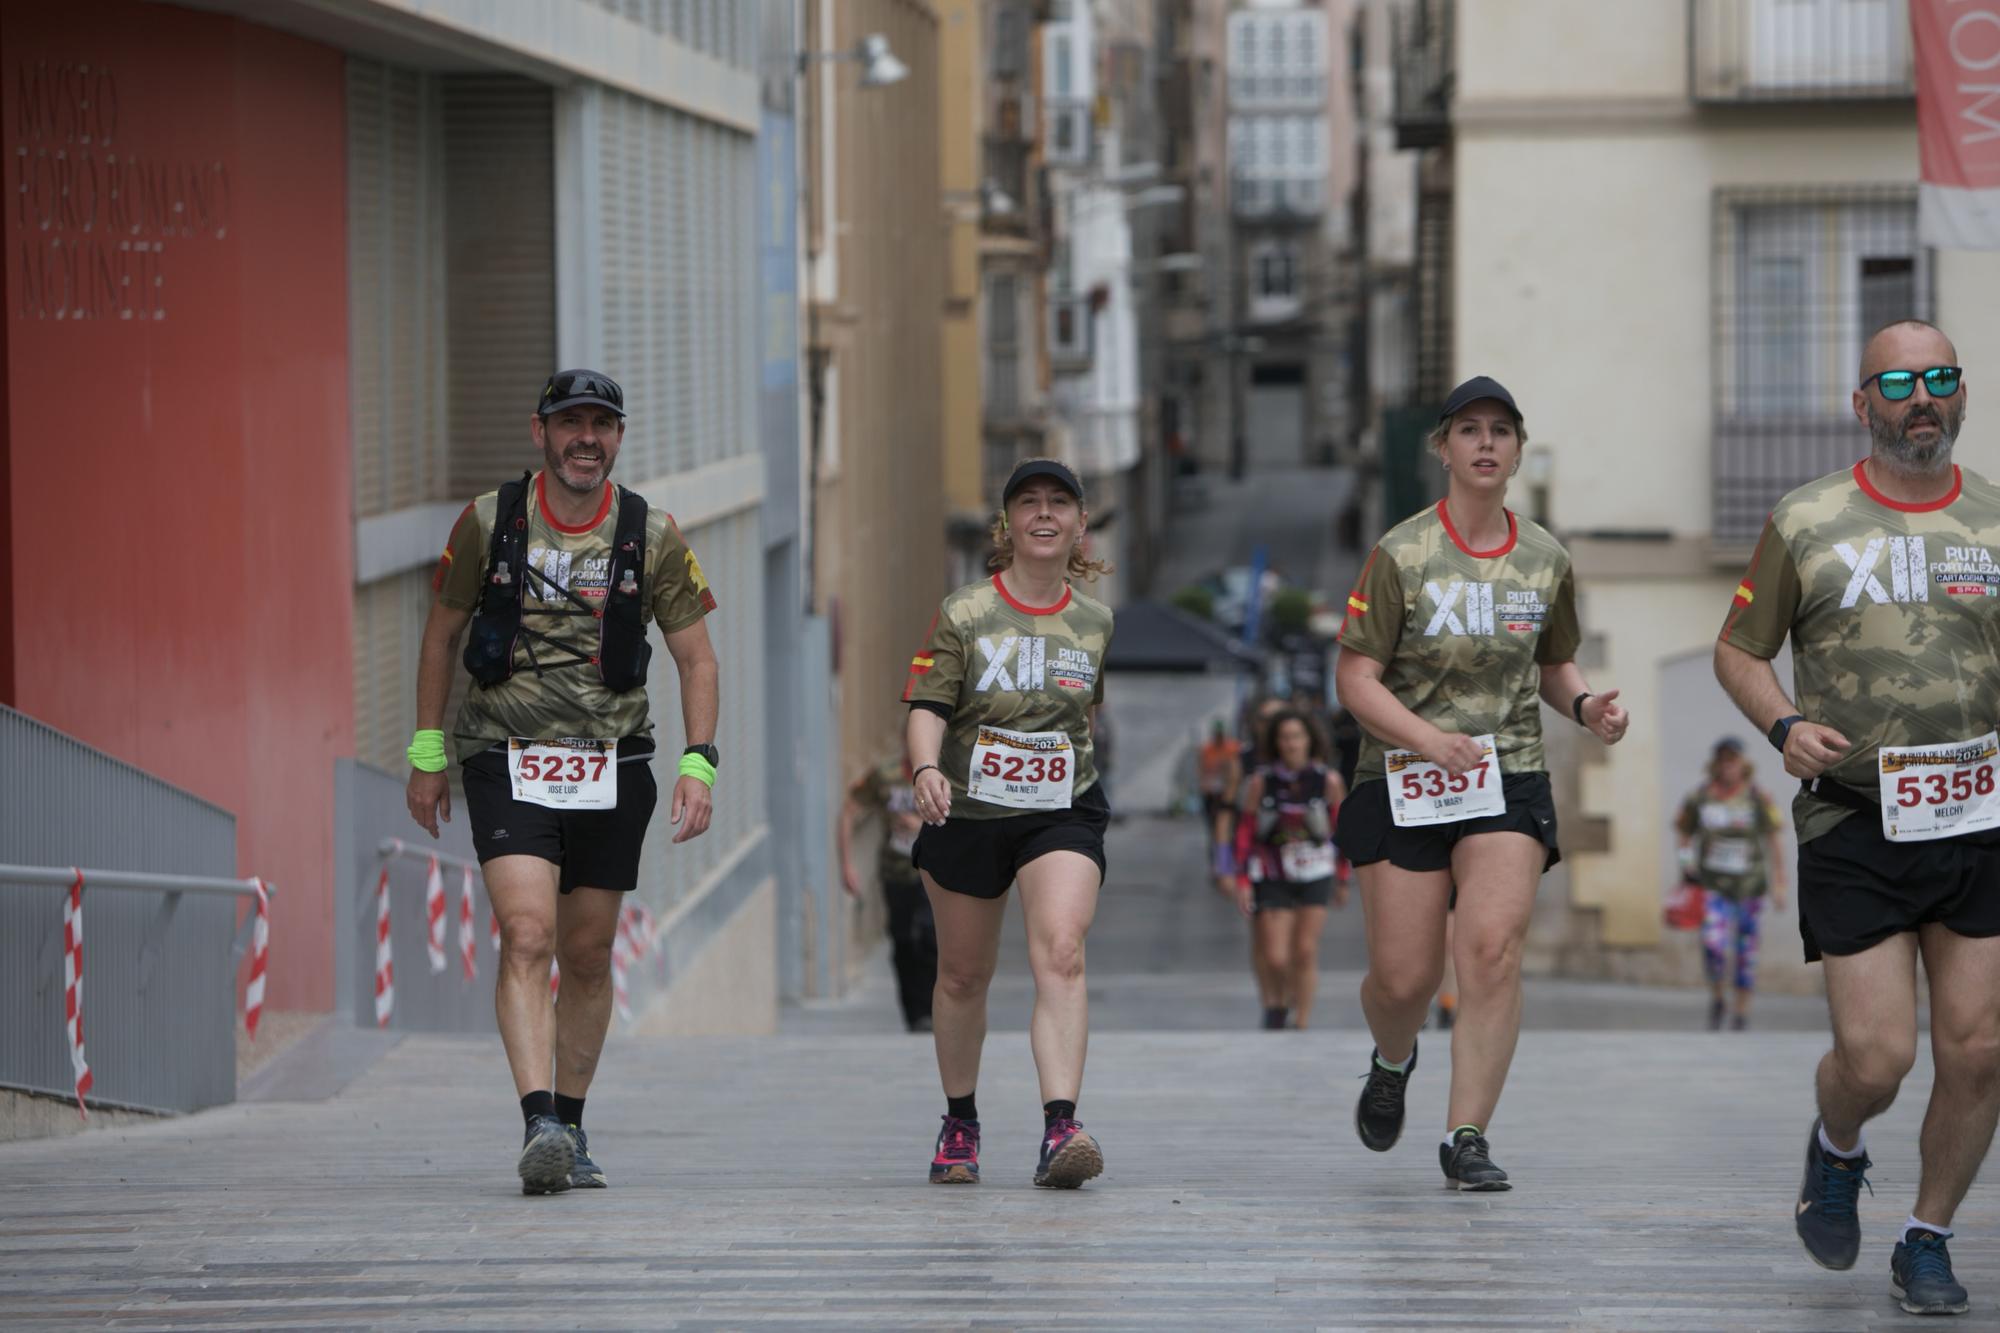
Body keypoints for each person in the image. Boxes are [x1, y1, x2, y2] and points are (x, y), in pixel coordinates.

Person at [1714, 319, 1998, 1317]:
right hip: (1855, 821)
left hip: (1975, 818)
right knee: (1877, 1057)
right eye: (1896, 380)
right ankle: (1836, 1143)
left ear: (1957, 394)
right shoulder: (1805, 519)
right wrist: (1781, 723)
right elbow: (1738, 650)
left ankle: (1925, 1237)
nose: (1918, 395)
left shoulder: (1995, 524)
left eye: (1936, 377)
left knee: (1978, 1049)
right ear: (1862, 402)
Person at [406, 369, 720, 1196]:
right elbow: (441, 636)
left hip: (612, 764)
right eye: (571, 422)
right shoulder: (488, 520)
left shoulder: (652, 533)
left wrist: (699, 761)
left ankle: (571, 1126)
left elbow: (696, 656)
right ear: (539, 431)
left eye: (603, 425)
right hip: (506, 757)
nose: (588, 437)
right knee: (529, 932)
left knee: (585, 953)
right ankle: (538, 1119)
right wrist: (428, 752)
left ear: (619, 437)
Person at [1334, 375, 1629, 1192]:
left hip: (1507, 775)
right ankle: (1393, 1058)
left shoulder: (1545, 557)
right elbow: (1355, 678)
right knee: (1404, 980)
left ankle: (1467, 1135)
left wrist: (1585, 704)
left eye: (1502, 430)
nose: (1487, 443)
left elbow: (1553, 663)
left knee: (1491, 952)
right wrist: (1430, 740)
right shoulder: (1401, 553)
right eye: (1470, 430)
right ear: (1445, 448)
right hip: (1404, 776)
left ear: (1517, 449)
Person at [901, 458, 1116, 1190]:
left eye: (1061, 502)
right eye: (1030, 503)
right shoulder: (965, 612)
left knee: (1062, 948)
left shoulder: (1096, 620)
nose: (1046, 513)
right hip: (967, 811)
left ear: (1081, 524)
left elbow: (1085, 714)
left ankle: (1063, 1125)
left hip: (1061, 810)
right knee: (963, 973)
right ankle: (960, 1118)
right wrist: (927, 769)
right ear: (1008, 524)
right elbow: (927, 702)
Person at [1232, 707, 1349, 1029]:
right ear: (1275, 743)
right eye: (1284, 737)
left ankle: (1302, 1021)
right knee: (1276, 955)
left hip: (1316, 870)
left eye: (1297, 736)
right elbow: (1245, 830)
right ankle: (1279, 1000)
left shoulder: (1328, 780)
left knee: (1305, 950)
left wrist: (1342, 877)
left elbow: (1341, 830)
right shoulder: (1261, 781)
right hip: (1272, 870)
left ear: (1310, 740)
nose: (1291, 744)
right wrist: (1241, 877)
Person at [1674, 736, 1788, 1031]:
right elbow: (1685, 834)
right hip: (1713, 886)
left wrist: (1779, 882)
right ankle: (1717, 996)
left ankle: (1741, 1010)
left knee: (1745, 951)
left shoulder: (1757, 798)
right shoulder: (1700, 797)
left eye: (1733, 760)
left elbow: (1773, 838)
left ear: (1743, 764)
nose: (1728, 767)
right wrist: (1687, 871)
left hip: (1749, 885)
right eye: (1723, 761)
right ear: (1715, 764)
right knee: (1713, 944)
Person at [840, 752, 937, 1032]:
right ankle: (914, 1013)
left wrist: (920, 827)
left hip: (933, 872)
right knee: (903, 939)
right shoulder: (885, 775)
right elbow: (849, 809)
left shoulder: (946, 774)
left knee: (932, 937)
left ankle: (934, 1008)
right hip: (896, 871)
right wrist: (847, 865)